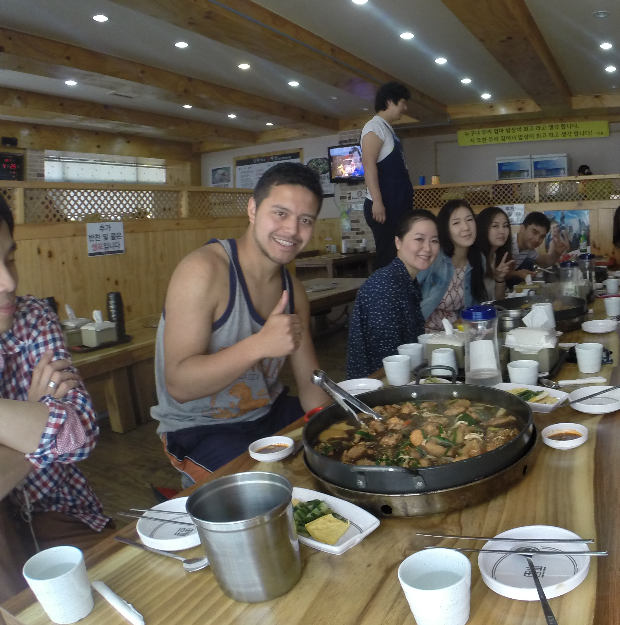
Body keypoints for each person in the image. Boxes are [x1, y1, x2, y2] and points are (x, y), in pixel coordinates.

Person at [151, 163, 331, 487]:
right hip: (200, 427)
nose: (292, 230)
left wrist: (341, 426)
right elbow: (178, 384)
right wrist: (260, 345)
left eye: (305, 220)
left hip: (268, 412)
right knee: (272, 490)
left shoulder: (293, 291)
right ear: (252, 209)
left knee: (335, 455)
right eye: (280, 213)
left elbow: (310, 384)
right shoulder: (203, 270)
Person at [0, 181, 109, 625]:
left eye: (11, 258)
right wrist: (33, 422)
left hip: (56, 512)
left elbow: (79, 433)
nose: (9, 282)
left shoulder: (31, 318)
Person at [347, 210, 439, 378]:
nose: (427, 248)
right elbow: (387, 360)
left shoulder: (406, 279)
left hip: (402, 376)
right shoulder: (384, 286)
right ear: (398, 242)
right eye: (419, 239)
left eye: (434, 241)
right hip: (376, 386)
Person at [362, 81, 414, 268]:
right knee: (388, 259)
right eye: (402, 103)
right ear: (390, 102)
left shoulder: (387, 129)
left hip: (396, 205)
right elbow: (368, 164)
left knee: (399, 258)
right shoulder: (374, 127)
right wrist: (377, 201)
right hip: (385, 208)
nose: (405, 108)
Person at [418, 200, 488, 331]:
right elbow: (408, 292)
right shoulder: (433, 256)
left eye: (469, 219)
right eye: (456, 223)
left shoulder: (479, 259)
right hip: (423, 333)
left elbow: (474, 306)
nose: (466, 227)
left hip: (456, 334)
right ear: (445, 229)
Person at [506, 212, 569, 285]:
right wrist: (517, 273)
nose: (537, 240)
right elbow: (496, 274)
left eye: (542, 236)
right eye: (534, 232)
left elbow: (544, 262)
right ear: (522, 228)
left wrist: (557, 252)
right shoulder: (507, 244)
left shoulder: (528, 249)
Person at [475, 206, 514, 300]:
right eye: (495, 226)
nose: (502, 231)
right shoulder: (475, 258)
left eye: (505, 226)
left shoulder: (497, 256)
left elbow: (499, 300)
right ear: (482, 228)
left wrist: (499, 279)